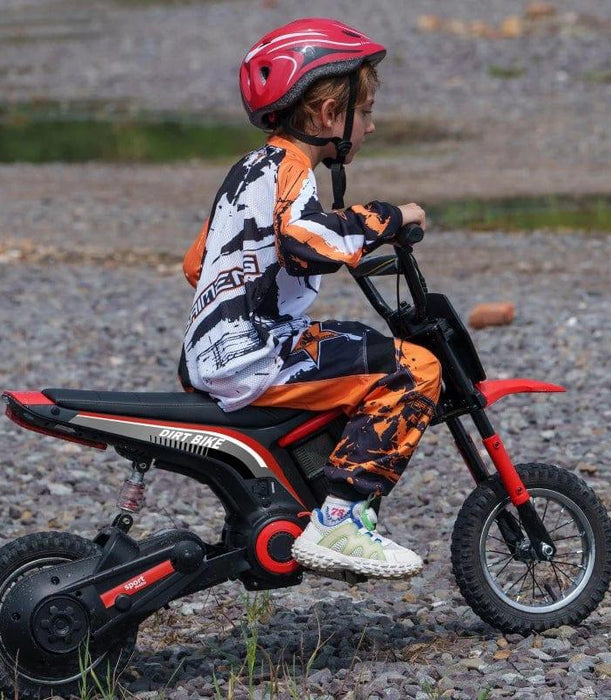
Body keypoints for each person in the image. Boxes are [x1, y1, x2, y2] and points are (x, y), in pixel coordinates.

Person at [181, 18, 441, 579]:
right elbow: (305, 243)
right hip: (255, 353)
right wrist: (388, 218)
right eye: (365, 111)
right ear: (327, 116)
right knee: (414, 368)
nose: (370, 126)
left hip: (207, 352)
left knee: (343, 345)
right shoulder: (294, 172)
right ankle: (341, 521)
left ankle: (304, 486)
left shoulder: (248, 169)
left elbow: (196, 263)